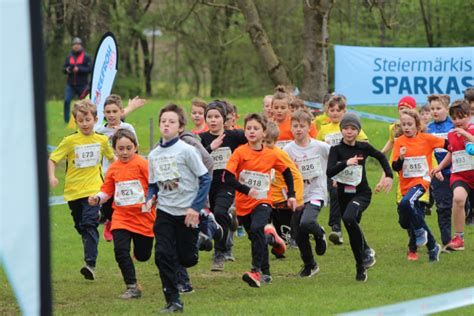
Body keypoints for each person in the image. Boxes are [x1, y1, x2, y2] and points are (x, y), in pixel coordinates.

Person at [146, 104, 211, 313]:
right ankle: (173, 300)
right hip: (165, 211)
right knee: (162, 255)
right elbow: (153, 184)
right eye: (163, 121)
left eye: (171, 121)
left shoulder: (187, 150)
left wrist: (195, 208)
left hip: (188, 213)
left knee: (187, 259)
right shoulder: (154, 154)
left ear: (180, 127)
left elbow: (205, 178)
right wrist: (149, 199)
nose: (166, 125)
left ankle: (202, 235)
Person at [224, 113, 296, 288]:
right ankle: (267, 267)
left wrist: (292, 195)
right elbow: (227, 177)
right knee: (255, 237)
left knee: (257, 228)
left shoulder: (271, 155)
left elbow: (287, 172)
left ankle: (255, 271)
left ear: (264, 133)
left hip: (263, 201)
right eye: (248, 128)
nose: (251, 131)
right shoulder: (240, 152)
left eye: (256, 128)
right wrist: (247, 190)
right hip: (243, 204)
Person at [48, 100, 114, 280]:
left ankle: (90, 264)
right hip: (72, 192)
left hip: (93, 189)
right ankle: (96, 220)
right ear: (75, 122)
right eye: (81, 120)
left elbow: (113, 159)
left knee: (88, 224)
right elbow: (52, 159)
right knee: (81, 226)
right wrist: (52, 176)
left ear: (95, 119)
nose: (85, 124)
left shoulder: (102, 140)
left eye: (88, 119)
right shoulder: (69, 141)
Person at [88, 129, 154, 299]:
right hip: (121, 217)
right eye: (121, 148)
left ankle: (138, 258)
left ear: (136, 147)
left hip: (143, 217)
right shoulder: (113, 168)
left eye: (128, 148)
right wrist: (97, 198)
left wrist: (153, 199)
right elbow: (107, 190)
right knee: (120, 251)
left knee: (143, 255)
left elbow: (155, 186)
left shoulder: (143, 164)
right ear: (115, 149)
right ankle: (132, 286)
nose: (125, 152)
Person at [327, 113, 393, 282]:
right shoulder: (335, 150)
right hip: (343, 195)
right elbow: (329, 172)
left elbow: (380, 156)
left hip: (362, 193)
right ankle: (361, 265)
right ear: (341, 130)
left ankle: (366, 253)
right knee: (351, 227)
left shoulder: (363, 147)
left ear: (358, 130)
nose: (349, 132)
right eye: (346, 128)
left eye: (353, 128)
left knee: (349, 218)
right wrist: (345, 163)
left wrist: (389, 176)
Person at [392, 109, 446, 262]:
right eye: (403, 125)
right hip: (405, 186)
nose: (407, 127)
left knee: (407, 203)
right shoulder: (399, 142)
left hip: (422, 181)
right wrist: (401, 157)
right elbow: (396, 167)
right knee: (406, 221)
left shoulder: (427, 139)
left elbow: (449, 145)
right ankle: (433, 246)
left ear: (417, 124)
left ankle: (419, 232)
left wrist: (463, 141)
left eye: (410, 124)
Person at [379, 96, 429, 261]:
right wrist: (380, 155)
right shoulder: (394, 129)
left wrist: (434, 171)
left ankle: (414, 248)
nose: (402, 110)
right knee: (405, 218)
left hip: (420, 179)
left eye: (406, 107)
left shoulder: (420, 131)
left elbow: (430, 152)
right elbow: (391, 146)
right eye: (400, 107)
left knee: (415, 210)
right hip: (403, 178)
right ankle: (421, 239)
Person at [199, 100, 247, 271]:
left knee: (219, 212)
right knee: (210, 218)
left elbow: (253, 136)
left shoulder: (233, 136)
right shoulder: (201, 139)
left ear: (223, 119)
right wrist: (210, 148)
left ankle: (219, 254)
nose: (213, 120)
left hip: (226, 184)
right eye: (209, 117)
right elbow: (195, 159)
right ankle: (228, 226)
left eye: (216, 117)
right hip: (206, 185)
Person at [316, 95, 368, 246]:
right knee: (335, 195)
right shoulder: (324, 129)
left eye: (338, 110)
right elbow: (317, 148)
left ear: (344, 111)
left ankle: (354, 220)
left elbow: (364, 143)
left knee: (350, 198)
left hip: (350, 171)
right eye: (331, 110)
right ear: (327, 111)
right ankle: (336, 229)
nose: (334, 113)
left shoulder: (350, 126)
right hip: (333, 170)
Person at [284, 109, 330, 278]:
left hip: (317, 192)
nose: (298, 129)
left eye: (302, 126)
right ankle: (310, 265)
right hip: (298, 194)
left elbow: (336, 156)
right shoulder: (288, 149)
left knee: (307, 222)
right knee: (297, 231)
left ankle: (320, 234)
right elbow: (284, 171)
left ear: (309, 127)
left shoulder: (320, 147)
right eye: (295, 126)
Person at [95, 94, 139, 242]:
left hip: (127, 173)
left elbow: (135, 149)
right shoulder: (100, 131)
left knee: (125, 204)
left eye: (114, 111)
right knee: (107, 204)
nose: (111, 115)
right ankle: (109, 220)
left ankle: (130, 233)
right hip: (107, 173)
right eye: (108, 112)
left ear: (121, 112)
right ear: (104, 114)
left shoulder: (128, 128)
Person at [432, 100, 474, 251]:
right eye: (454, 118)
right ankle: (459, 238)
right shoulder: (451, 133)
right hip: (460, 175)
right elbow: (451, 152)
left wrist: (466, 134)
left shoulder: (472, 129)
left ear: (469, 116)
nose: (457, 121)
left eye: (460, 117)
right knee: (458, 198)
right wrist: (440, 167)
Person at [263, 121, 305, 253]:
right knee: (263, 224)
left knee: (284, 231)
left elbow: (296, 175)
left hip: (282, 198)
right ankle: (267, 244)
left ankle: (288, 242)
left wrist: (296, 197)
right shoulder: (256, 153)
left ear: (275, 142)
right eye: (263, 141)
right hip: (266, 198)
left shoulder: (279, 155)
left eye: (269, 142)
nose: (265, 146)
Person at [426, 94, 453, 251]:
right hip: (438, 174)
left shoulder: (453, 126)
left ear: (447, 109)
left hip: (457, 172)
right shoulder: (428, 129)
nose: (435, 111)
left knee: (461, 204)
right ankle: (447, 241)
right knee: (443, 207)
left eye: (438, 108)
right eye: (432, 109)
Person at [63, 37, 92, 124]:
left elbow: (90, 69)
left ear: (81, 46)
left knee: (85, 103)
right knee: (67, 101)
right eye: (75, 44)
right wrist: (67, 70)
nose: (76, 46)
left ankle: (86, 118)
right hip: (70, 85)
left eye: (78, 44)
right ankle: (67, 121)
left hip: (82, 85)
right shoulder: (69, 57)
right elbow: (63, 69)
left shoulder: (87, 57)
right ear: (72, 46)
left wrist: (78, 69)